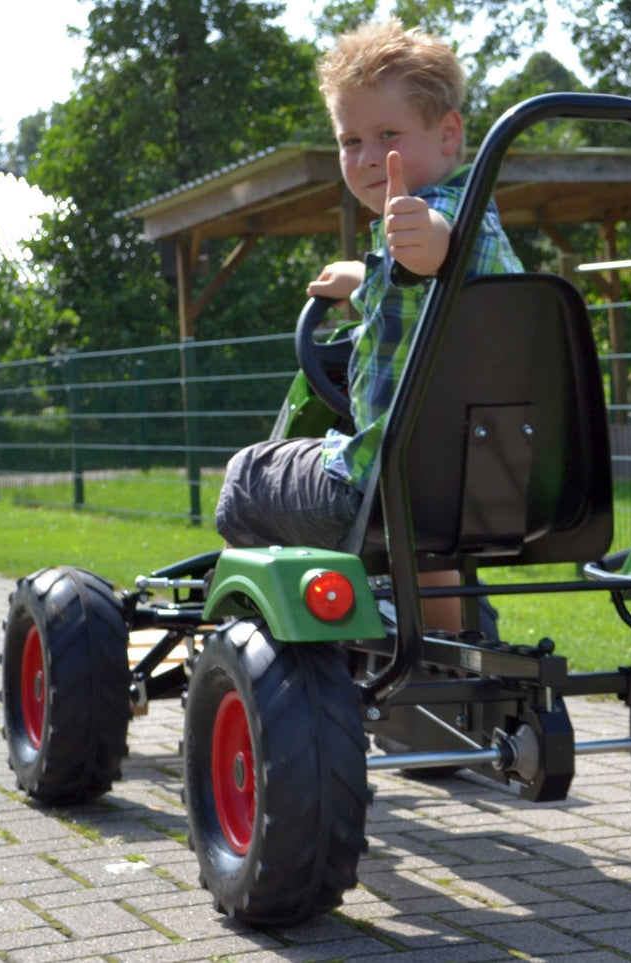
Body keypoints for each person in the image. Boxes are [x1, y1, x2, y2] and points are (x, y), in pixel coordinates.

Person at [214, 19, 524, 630]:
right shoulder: (484, 231)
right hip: (485, 487)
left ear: (449, 134)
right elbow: (427, 285)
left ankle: (244, 636)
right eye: (349, 140)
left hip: (377, 489)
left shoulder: (430, 225)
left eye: (387, 134)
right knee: (423, 487)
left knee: (249, 476)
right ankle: (440, 640)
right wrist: (365, 276)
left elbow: (436, 248)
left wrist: (419, 239)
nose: (364, 156)